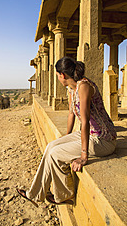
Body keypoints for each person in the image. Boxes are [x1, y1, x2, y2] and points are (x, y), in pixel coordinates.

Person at [17, 56, 117, 206]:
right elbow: (71, 113)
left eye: (57, 75)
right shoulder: (71, 89)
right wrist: (66, 138)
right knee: (52, 146)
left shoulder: (84, 86)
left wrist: (84, 155)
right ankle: (35, 194)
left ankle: (64, 195)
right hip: (90, 135)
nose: (58, 78)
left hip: (103, 139)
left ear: (62, 75)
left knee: (56, 154)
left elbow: (85, 120)